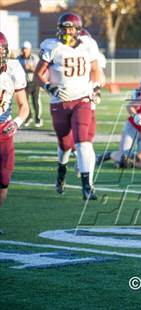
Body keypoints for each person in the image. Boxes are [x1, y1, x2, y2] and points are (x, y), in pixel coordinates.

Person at [35, 12, 102, 200]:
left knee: (83, 140)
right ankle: (61, 172)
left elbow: (96, 70)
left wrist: (95, 88)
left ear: (78, 30)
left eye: (71, 28)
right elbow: (38, 75)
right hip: (60, 101)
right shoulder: (52, 46)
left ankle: (87, 186)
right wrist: (50, 87)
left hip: (82, 99)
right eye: (64, 28)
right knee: (65, 144)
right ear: (59, 29)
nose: (67, 31)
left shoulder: (88, 45)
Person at [0, 32, 30, 232]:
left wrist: (17, 122)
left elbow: (24, 106)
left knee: (3, 180)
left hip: (4, 130)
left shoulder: (13, 69)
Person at [96, 77, 141, 169]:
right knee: (123, 156)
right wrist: (136, 116)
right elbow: (130, 106)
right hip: (133, 126)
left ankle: (121, 161)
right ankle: (109, 155)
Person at [16, 41, 42, 127]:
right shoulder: (18, 58)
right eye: (23, 49)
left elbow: (39, 70)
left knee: (36, 102)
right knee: (25, 102)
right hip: (24, 83)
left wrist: (31, 68)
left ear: (30, 49)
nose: (24, 51)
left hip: (34, 82)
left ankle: (38, 119)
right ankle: (28, 117)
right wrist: (22, 68)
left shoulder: (34, 58)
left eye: (26, 49)